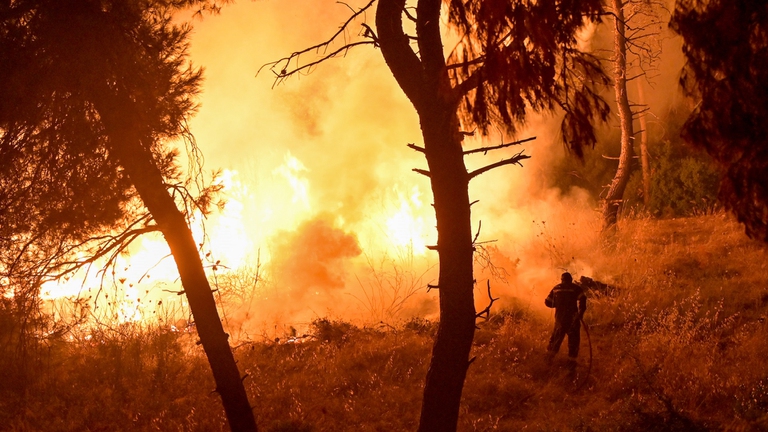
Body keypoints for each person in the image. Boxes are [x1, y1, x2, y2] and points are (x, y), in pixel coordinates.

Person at [544, 272, 587, 363]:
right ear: (571, 280)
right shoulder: (576, 288)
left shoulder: (556, 288)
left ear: (562, 280)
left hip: (560, 320)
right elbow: (583, 300)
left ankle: (548, 363)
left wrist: (558, 305)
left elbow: (547, 302)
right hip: (573, 320)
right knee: (573, 345)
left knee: (554, 343)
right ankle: (571, 366)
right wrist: (580, 314)